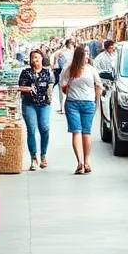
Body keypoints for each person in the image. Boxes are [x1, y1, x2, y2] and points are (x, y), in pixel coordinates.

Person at [59, 45, 102, 174]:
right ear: (80, 56)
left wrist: (94, 98)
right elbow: (64, 88)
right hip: (76, 104)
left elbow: (99, 85)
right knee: (80, 132)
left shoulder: (87, 69)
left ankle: (84, 162)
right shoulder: (72, 69)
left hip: (82, 103)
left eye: (88, 54)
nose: (88, 57)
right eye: (86, 54)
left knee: (83, 132)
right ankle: (82, 162)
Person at [18, 49, 54, 170]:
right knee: (31, 130)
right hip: (29, 104)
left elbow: (51, 85)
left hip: (44, 104)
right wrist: (27, 89)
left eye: (37, 57)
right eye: (33, 57)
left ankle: (43, 155)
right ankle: (33, 158)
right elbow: (20, 87)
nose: (35, 60)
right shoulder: (26, 72)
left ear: (42, 58)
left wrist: (50, 98)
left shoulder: (47, 72)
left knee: (44, 128)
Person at [52, 38, 75, 113]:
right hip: (72, 73)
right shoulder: (74, 53)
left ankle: (62, 108)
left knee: (61, 91)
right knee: (71, 91)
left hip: (63, 73)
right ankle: (68, 108)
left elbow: (56, 64)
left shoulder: (60, 52)